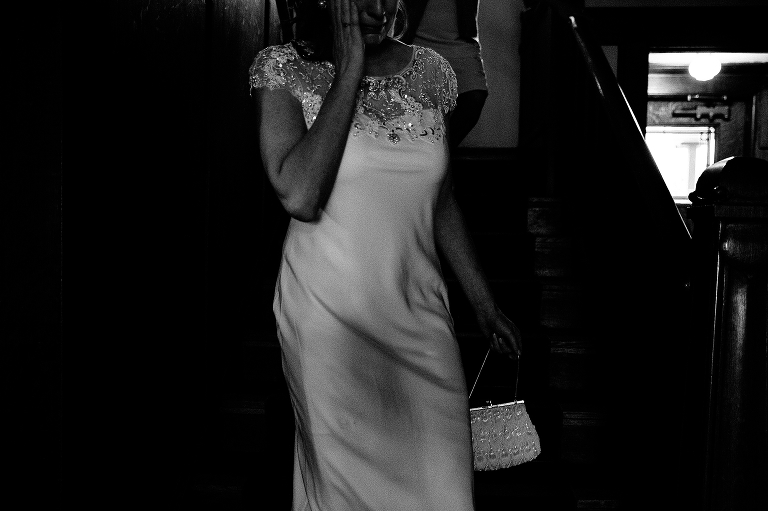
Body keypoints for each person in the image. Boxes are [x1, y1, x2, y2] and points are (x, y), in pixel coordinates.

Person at [249, 0, 521, 509]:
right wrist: (349, 69)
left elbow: (438, 198)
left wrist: (483, 302)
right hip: (329, 317)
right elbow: (300, 195)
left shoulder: (433, 74)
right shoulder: (282, 69)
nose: (380, 8)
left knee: (445, 492)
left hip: (419, 316)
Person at [401, 0, 488, 147]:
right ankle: (418, 154)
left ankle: (439, 151)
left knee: (474, 97)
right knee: (413, 103)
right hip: (415, 37)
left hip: (459, 40)